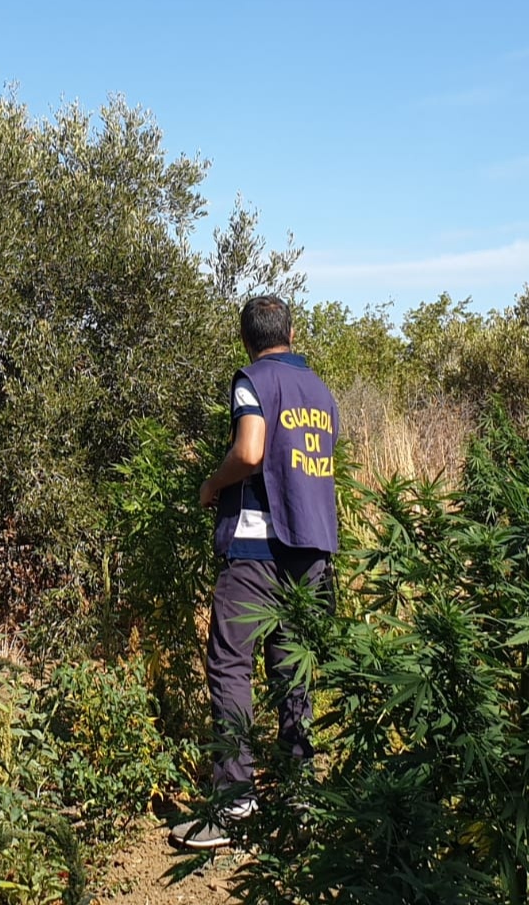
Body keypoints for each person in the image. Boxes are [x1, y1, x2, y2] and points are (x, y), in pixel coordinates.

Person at [170, 295, 339, 851]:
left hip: (256, 547)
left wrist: (211, 485)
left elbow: (249, 451)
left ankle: (235, 799)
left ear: (246, 338)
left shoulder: (252, 380)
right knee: (291, 668)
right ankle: (298, 792)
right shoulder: (320, 391)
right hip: (313, 549)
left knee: (229, 662)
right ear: (292, 330)